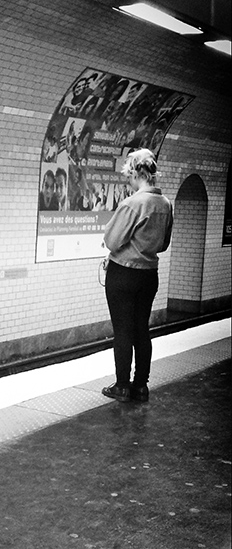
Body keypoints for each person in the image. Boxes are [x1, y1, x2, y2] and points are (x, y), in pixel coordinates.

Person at [101, 148, 172, 403]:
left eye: (128, 175)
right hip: (149, 275)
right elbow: (163, 244)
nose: (128, 181)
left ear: (136, 173)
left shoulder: (132, 203)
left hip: (123, 275)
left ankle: (121, 385)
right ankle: (141, 386)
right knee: (142, 329)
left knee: (122, 331)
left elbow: (111, 240)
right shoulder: (165, 204)